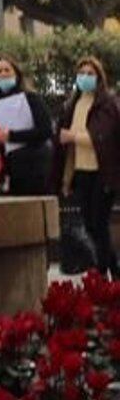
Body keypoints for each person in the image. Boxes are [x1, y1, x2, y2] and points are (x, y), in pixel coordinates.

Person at [56, 52, 120, 279]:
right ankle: (112, 272)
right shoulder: (72, 105)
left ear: (99, 77)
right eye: (81, 73)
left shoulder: (106, 104)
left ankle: (102, 274)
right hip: (81, 173)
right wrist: (66, 179)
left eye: (90, 73)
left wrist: (72, 136)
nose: (85, 77)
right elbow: (69, 148)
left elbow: (98, 136)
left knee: (99, 224)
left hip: (103, 173)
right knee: (91, 226)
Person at [0, 51, 53, 200]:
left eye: (7, 70)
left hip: (31, 166)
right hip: (2, 169)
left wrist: (11, 136)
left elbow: (45, 130)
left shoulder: (31, 98)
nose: (3, 74)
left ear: (16, 74)